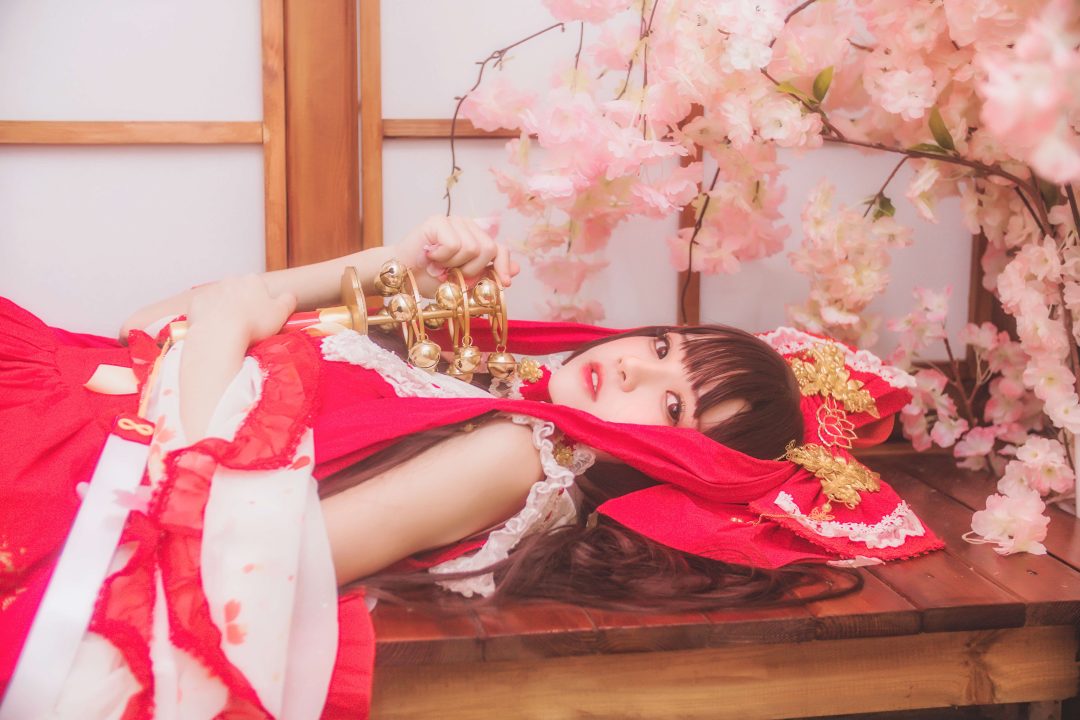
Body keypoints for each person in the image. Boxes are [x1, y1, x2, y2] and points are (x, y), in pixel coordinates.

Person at [0, 216, 941, 719]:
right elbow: (152, 328)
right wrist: (394, 264)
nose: (636, 368)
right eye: (663, 346)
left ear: (674, 462)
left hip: (73, 492)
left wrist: (229, 323)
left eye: (669, 408)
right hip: (70, 414)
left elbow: (251, 548)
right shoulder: (505, 390)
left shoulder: (515, 455)